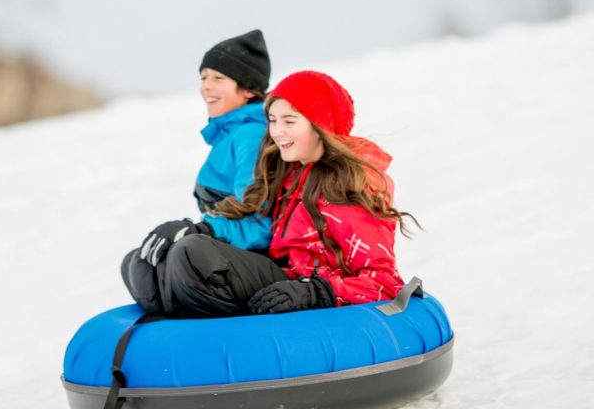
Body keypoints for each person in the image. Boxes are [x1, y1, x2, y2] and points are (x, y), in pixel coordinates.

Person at [157, 70, 418, 318]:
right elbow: (254, 221)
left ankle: (231, 340)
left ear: (320, 127)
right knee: (149, 264)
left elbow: (383, 281)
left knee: (191, 254)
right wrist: (199, 228)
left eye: (289, 121)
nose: (277, 131)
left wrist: (315, 292)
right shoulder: (287, 174)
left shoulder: (351, 185)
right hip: (281, 280)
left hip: (311, 297)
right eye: (272, 120)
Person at [121, 29, 275, 313]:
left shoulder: (251, 136)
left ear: (248, 89)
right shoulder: (229, 136)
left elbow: (264, 224)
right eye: (203, 77)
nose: (206, 86)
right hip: (222, 253)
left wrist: (201, 230)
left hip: (254, 260)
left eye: (219, 78)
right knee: (140, 263)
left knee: (187, 254)